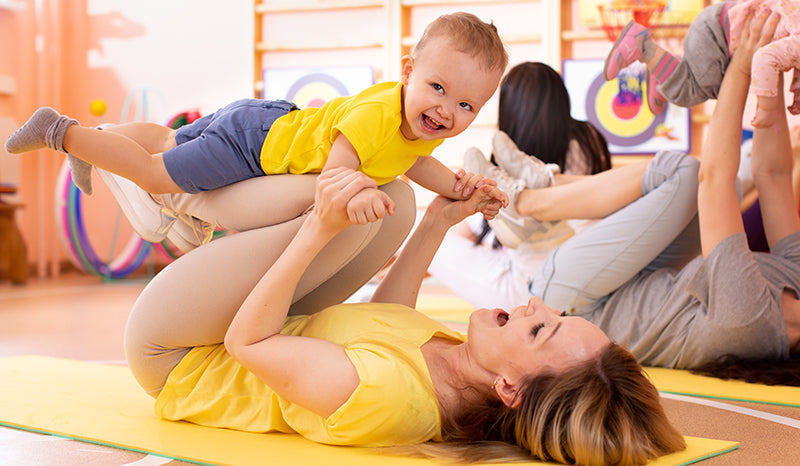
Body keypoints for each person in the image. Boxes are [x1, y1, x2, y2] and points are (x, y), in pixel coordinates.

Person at [123, 165, 685, 464]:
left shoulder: (386, 399)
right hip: (248, 323)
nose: (534, 304)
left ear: (511, 389)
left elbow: (248, 343)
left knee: (345, 200)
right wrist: (439, 220)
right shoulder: (461, 367)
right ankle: (182, 200)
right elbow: (383, 323)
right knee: (395, 203)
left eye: (540, 329)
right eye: (553, 312)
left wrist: (319, 227)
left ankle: (167, 193)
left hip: (179, 355)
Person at [469, 11, 800, 384]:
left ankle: (526, 202)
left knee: (683, 172)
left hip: (575, 306)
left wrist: (740, 67)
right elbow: (773, 174)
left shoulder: (750, 322)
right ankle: (545, 183)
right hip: (634, 278)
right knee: (697, 183)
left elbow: (715, 179)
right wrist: (770, 70)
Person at [4, 12, 508, 250]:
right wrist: (358, 196)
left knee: (161, 139)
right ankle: (60, 131)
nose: (446, 110)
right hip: (250, 145)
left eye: (466, 105)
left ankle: (97, 137)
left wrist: (464, 189)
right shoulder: (377, 114)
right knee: (155, 174)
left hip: (263, 121)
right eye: (438, 88)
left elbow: (416, 163)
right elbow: (336, 176)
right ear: (407, 72)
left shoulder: (417, 129)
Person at [428, 61, 613, 309]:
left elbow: (473, 228)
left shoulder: (511, 150)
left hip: (533, 288)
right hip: (593, 273)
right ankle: (543, 182)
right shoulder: (589, 139)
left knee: (428, 243)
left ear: (509, 110)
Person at [603, 0, 799, 124]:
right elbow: (765, 59)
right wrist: (767, 108)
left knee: (719, 87)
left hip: (719, 26)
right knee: (691, 92)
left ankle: (662, 68)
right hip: (718, 36)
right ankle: (644, 49)